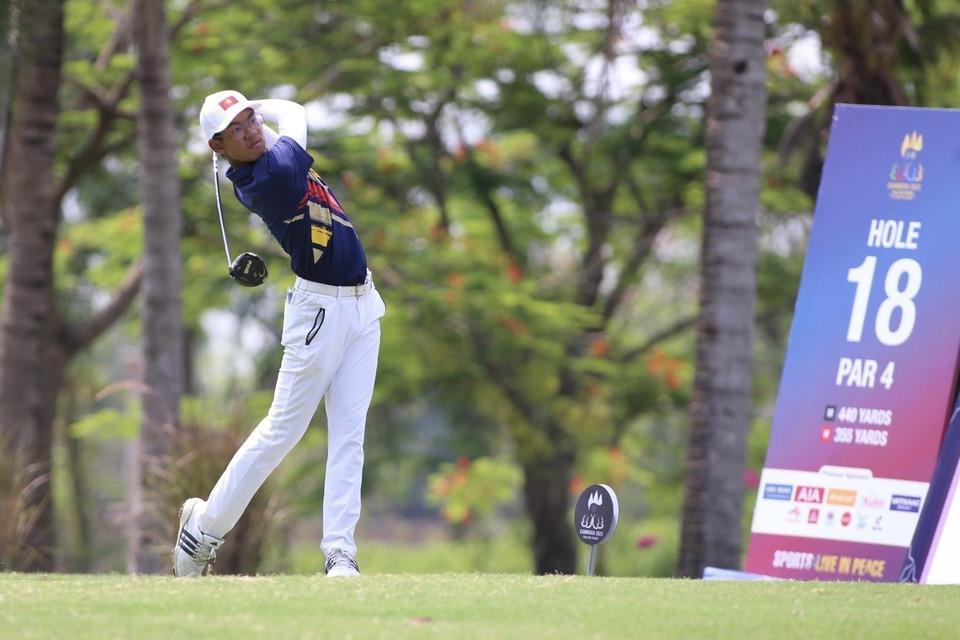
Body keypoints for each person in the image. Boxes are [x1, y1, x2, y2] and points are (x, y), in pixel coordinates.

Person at [172, 90, 385, 578]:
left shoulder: (266, 155)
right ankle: (202, 528)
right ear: (218, 146)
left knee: (350, 435)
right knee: (282, 430)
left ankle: (340, 554)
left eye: (251, 119)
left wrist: (247, 107)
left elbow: (278, 122)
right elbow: (296, 113)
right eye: (238, 128)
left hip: (362, 305)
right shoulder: (270, 173)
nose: (251, 129)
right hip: (319, 313)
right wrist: (263, 103)